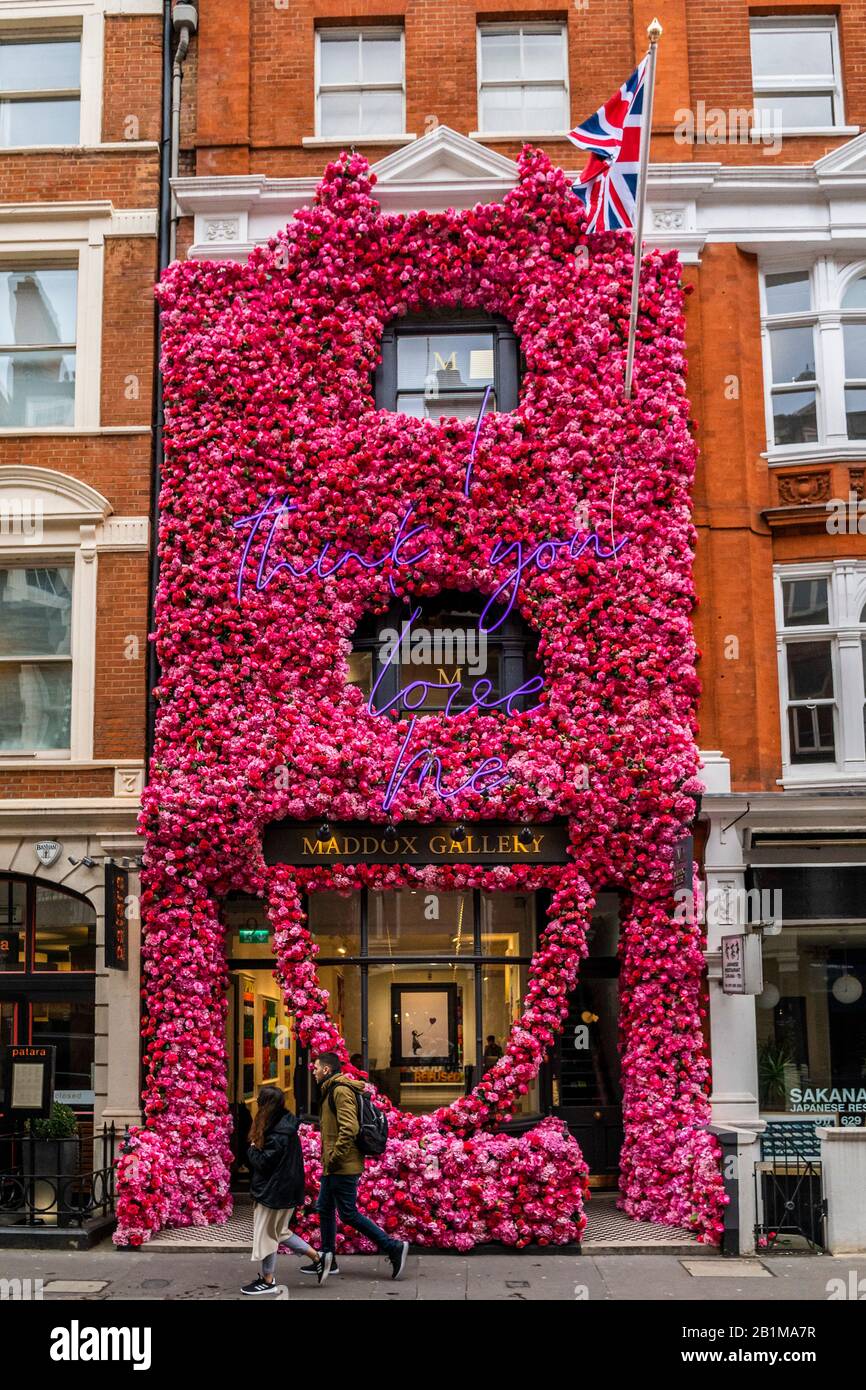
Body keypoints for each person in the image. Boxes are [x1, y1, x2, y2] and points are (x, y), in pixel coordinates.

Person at [305, 1051, 408, 1281]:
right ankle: (328, 1259)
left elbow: (349, 1128)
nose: (313, 1071)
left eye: (316, 1067)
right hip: (336, 1165)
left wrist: (333, 1156)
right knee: (324, 1208)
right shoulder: (332, 1090)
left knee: (348, 1213)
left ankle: (393, 1247)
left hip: (342, 1165)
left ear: (327, 1070)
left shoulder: (340, 1091)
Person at [241, 1084, 328, 1293]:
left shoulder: (276, 1132)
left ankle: (268, 1281)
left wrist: (251, 1150)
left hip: (273, 1191)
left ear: (265, 1104)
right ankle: (318, 1258)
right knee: (278, 1232)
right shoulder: (284, 1124)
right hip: (285, 1189)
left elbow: (264, 1162)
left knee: (266, 1234)